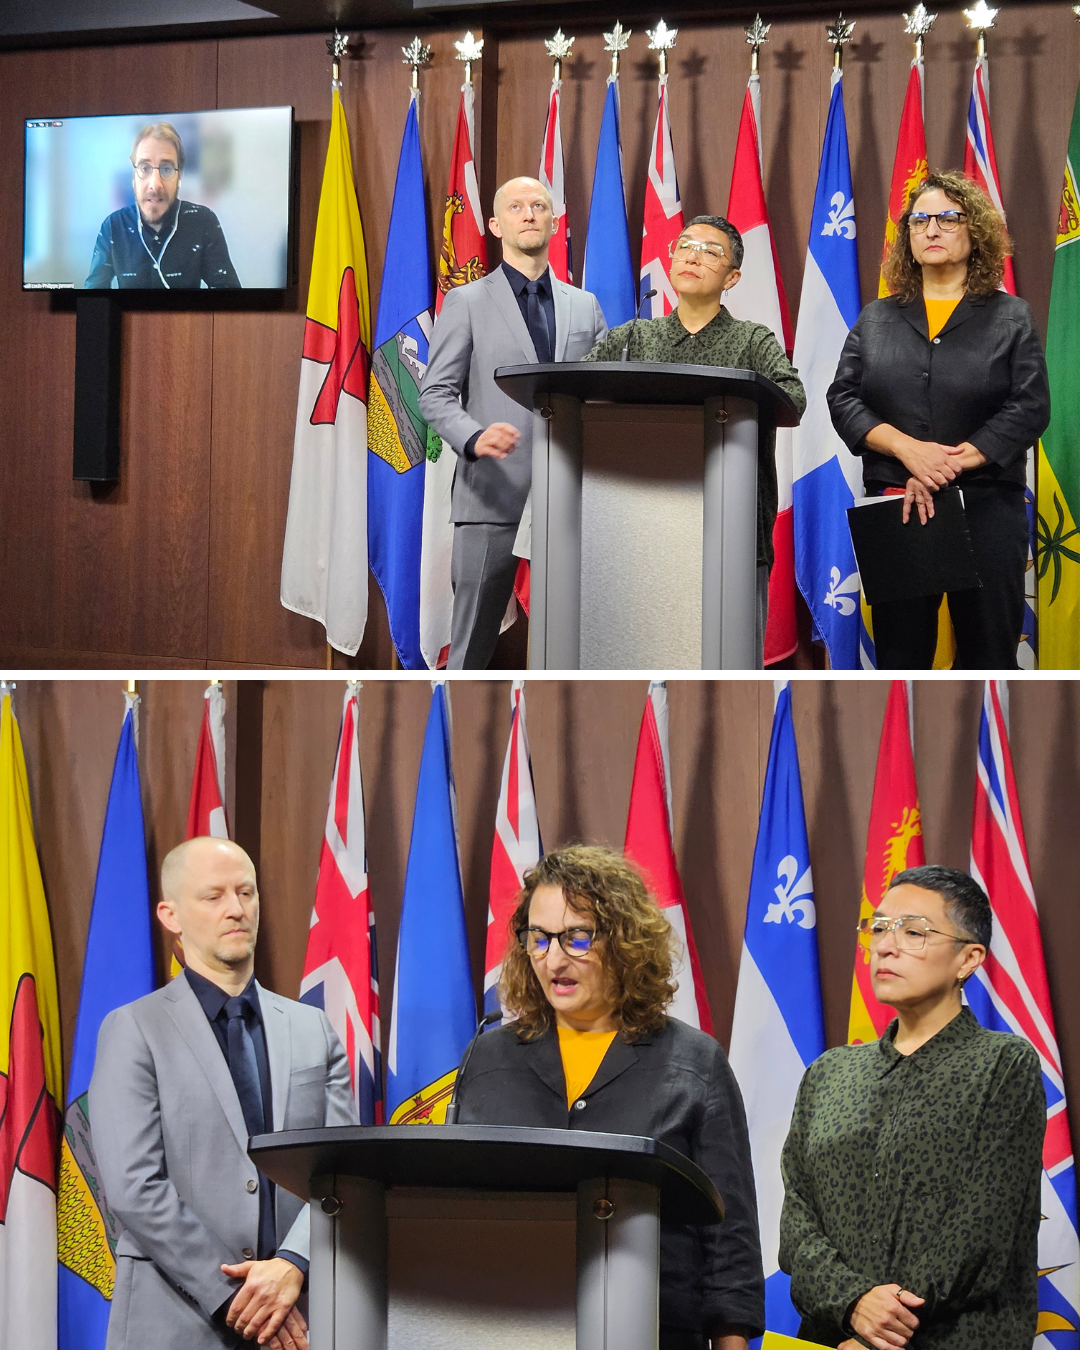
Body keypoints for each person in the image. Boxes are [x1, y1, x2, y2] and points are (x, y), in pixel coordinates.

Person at [453, 844, 764, 1350]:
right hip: (508, 1324)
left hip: (655, 1329)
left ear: (624, 941)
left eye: (577, 937)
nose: (554, 959)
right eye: (539, 938)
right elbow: (454, 1208)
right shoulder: (487, 1058)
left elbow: (729, 1237)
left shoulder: (693, 1061)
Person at [88, 837, 357, 1350]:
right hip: (175, 1323)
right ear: (170, 915)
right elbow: (134, 1186)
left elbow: (343, 1170)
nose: (236, 909)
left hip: (304, 1314)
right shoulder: (133, 1030)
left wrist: (293, 1263)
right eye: (213, 896)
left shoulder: (314, 1029)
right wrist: (241, 1300)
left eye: (246, 892)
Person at [779, 865, 1045, 1350]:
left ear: (968, 959)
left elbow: (982, 1229)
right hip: (833, 1336)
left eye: (914, 932)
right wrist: (854, 1303)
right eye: (879, 927)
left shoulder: (1003, 1065)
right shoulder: (828, 1074)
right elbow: (798, 1225)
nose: (885, 945)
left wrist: (883, 1326)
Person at [827, 171, 1050, 669]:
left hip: (988, 507)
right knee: (900, 658)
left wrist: (948, 463)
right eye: (920, 219)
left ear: (976, 231)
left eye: (948, 218)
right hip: (898, 506)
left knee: (989, 656)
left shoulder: (1011, 316)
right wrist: (909, 451)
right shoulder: (877, 318)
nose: (931, 229)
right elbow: (843, 398)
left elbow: (1031, 405)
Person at [583, 216, 806, 665]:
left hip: (731, 530)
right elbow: (577, 389)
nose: (692, 256)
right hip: (639, 528)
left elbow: (793, 399)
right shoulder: (634, 337)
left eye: (710, 251)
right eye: (684, 246)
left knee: (728, 659)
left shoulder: (751, 340)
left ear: (732, 278)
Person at [418, 176, 607, 669]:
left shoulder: (584, 305)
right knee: (470, 650)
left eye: (539, 205)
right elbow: (434, 394)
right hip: (491, 494)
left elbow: (602, 394)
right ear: (495, 225)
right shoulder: (466, 302)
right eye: (517, 207)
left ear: (554, 221)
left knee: (572, 647)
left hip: (570, 497)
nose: (529, 214)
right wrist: (474, 436)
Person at [85, 122, 240, 289]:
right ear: (133, 176)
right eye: (145, 168)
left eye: (166, 169)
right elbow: (92, 297)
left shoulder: (203, 222)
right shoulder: (114, 226)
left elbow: (230, 298)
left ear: (179, 176)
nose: (155, 184)